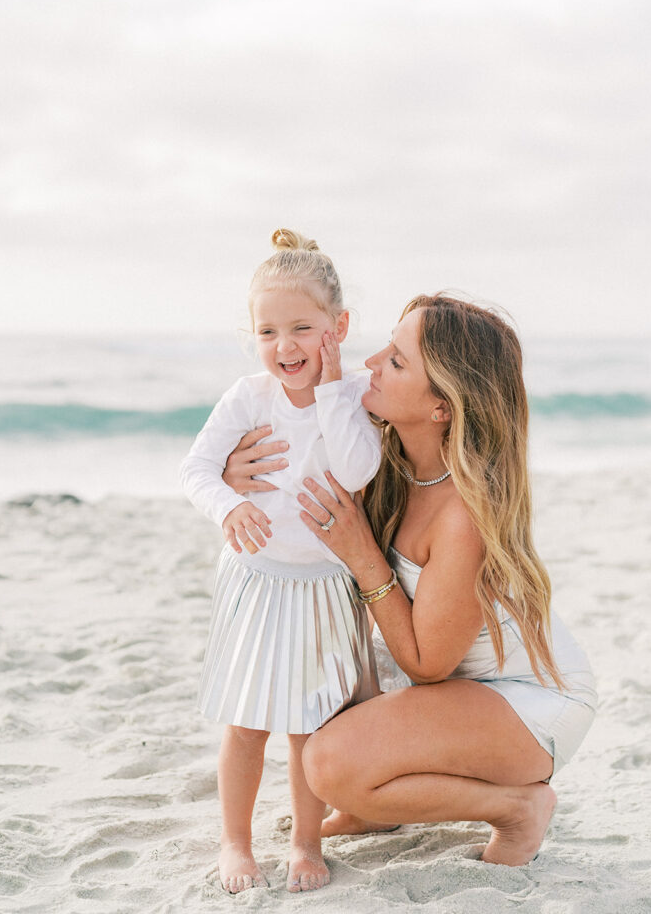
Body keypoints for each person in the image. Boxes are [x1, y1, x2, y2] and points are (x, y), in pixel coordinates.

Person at [223, 293, 597, 868]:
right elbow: (298, 473)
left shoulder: (464, 516)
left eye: (396, 361)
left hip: (529, 704)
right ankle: (376, 805)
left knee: (328, 764)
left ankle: (516, 807)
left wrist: (363, 554)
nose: (370, 362)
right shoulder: (387, 457)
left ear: (441, 405)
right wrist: (232, 477)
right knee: (323, 667)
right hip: (460, 691)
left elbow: (427, 664)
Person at [180, 230, 382, 894]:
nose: (285, 346)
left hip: (323, 585)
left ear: (338, 328)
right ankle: (235, 842)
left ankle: (303, 840)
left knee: (306, 726)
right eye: (268, 331)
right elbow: (198, 469)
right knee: (248, 722)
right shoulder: (248, 396)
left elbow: (356, 470)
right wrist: (226, 508)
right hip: (259, 579)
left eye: (302, 328)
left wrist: (328, 394)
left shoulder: (351, 396)